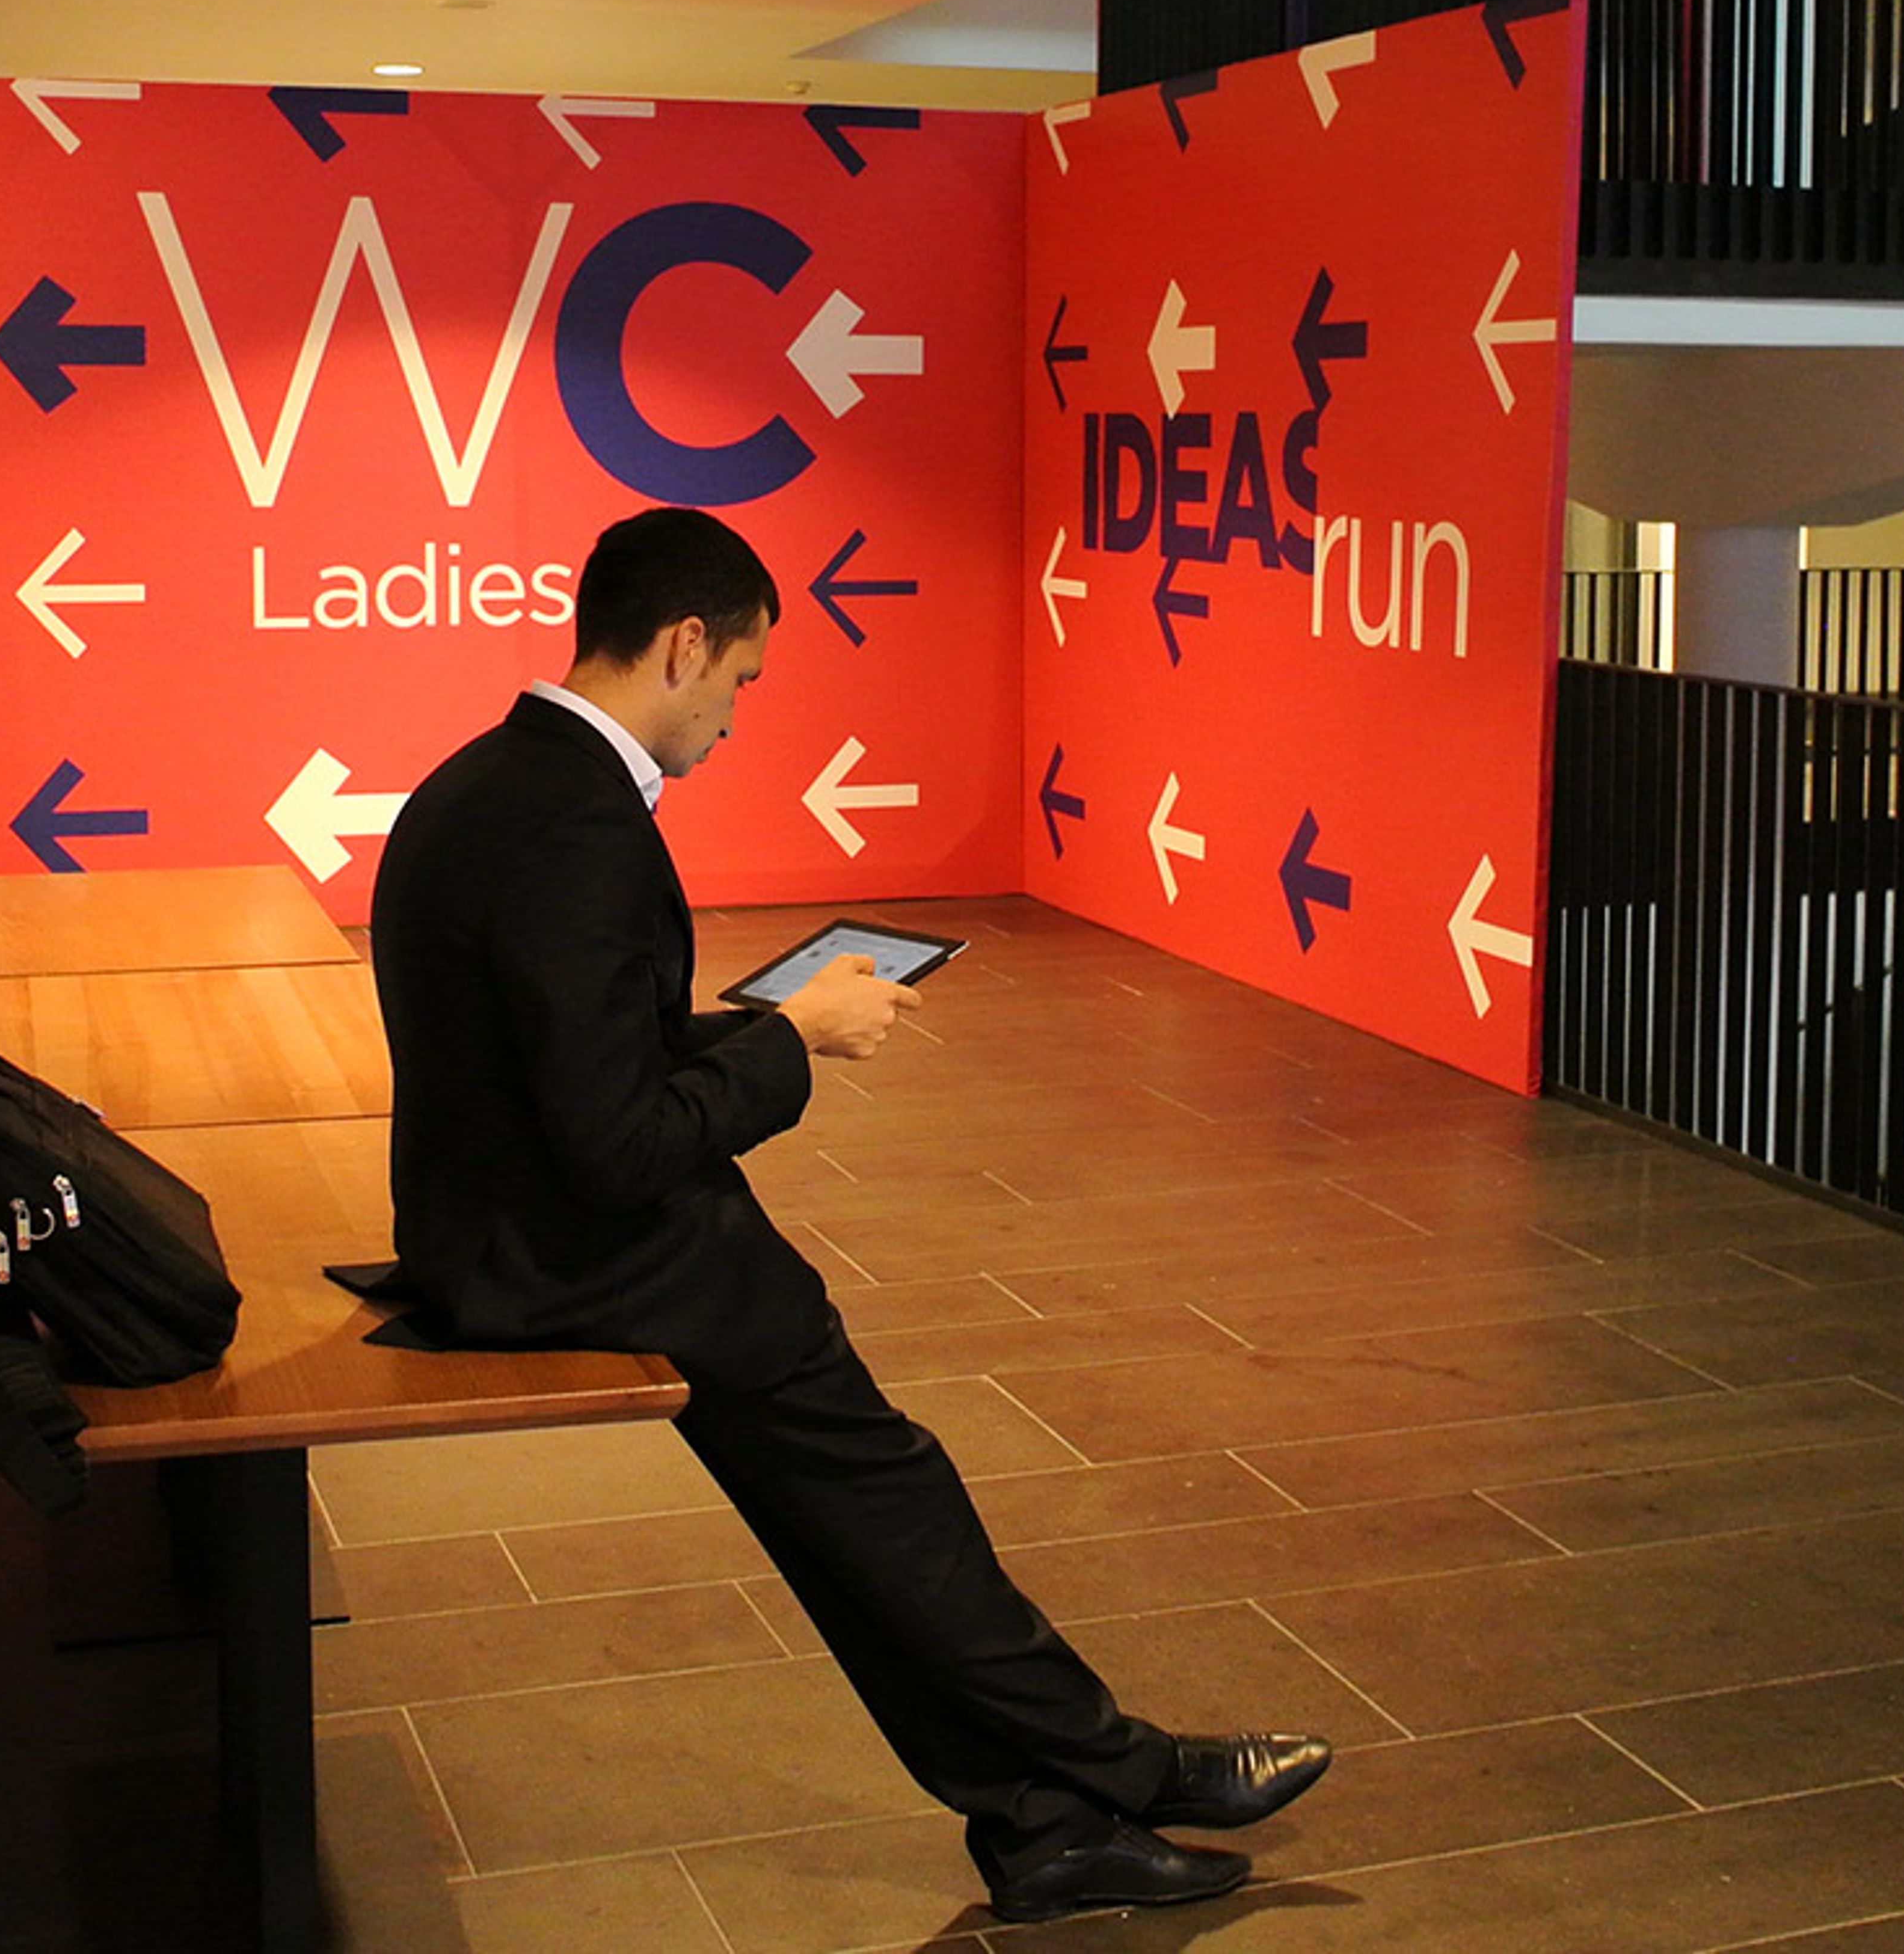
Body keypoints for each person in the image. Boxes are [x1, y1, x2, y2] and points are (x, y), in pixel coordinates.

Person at [364, 505, 1330, 1923]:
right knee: (885, 1492)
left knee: (857, 1508)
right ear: (684, 646)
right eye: (742, 679)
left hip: (497, 1229)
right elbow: (618, 1145)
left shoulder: (484, 783)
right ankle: (1122, 1770)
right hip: (576, 1257)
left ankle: (1051, 1825)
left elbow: (566, 1059)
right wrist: (792, 1045)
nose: (735, 719)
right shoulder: (580, 829)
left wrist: (755, 1028)